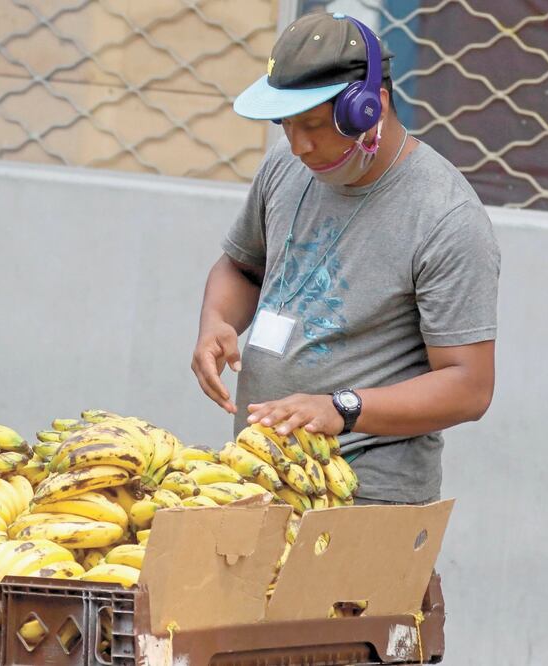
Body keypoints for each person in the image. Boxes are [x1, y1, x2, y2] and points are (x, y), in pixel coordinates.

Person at [191, 12, 500, 504]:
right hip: (263, 472)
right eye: (286, 125)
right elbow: (241, 266)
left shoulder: (447, 217)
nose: (298, 146)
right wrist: (216, 321)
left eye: (312, 124)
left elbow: (469, 386)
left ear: (367, 108)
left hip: (366, 495)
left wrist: (344, 408)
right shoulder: (284, 166)